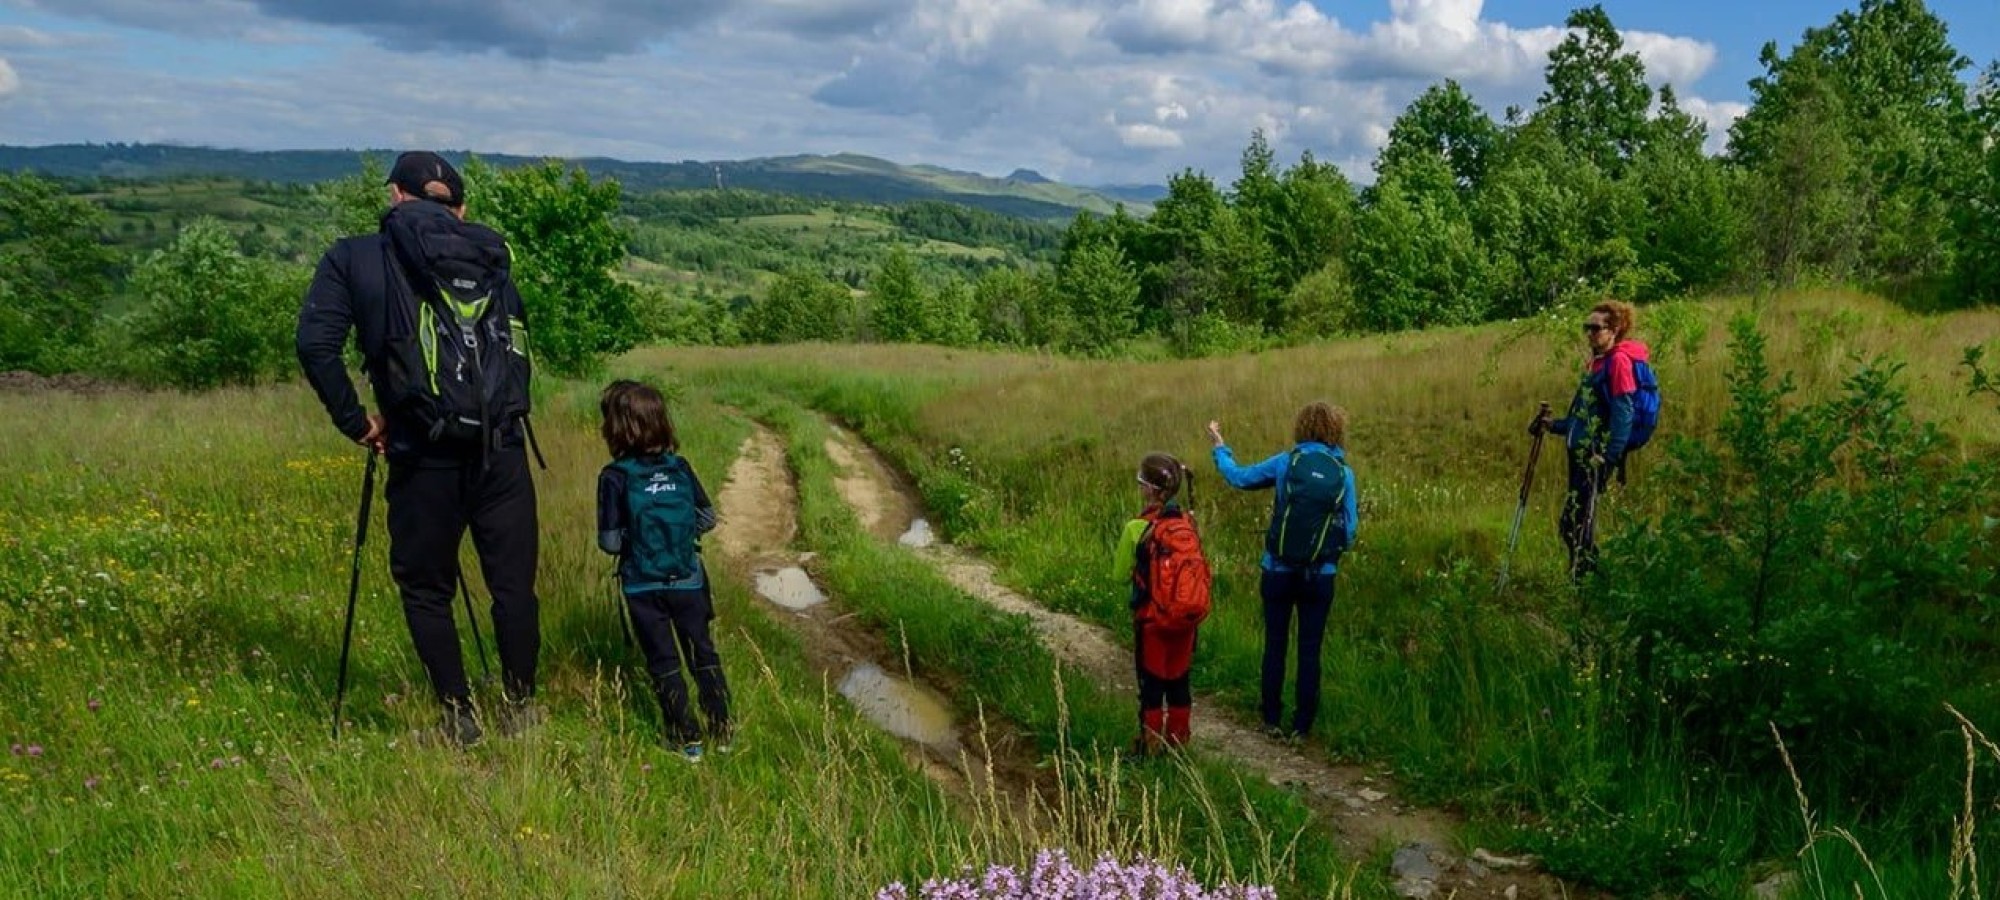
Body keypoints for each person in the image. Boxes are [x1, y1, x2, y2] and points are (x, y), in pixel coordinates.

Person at [297, 151, 540, 747]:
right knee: (511, 586)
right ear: (459, 206)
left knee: (427, 588)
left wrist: (358, 423)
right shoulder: (489, 255)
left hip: (420, 450)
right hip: (500, 446)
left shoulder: (353, 257)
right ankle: (521, 708)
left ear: (396, 197)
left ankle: (459, 718)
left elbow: (315, 345)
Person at [596, 380, 732, 762]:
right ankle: (722, 731)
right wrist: (677, 535)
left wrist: (638, 540)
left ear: (618, 427)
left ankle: (686, 740)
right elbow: (707, 518)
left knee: (664, 662)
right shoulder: (680, 467)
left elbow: (608, 542)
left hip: (642, 586)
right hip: (689, 579)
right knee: (702, 652)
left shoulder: (614, 477)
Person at [1208, 403, 1357, 741]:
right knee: (1310, 649)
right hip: (1320, 575)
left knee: (1275, 645)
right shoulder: (1344, 474)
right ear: (1336, 431)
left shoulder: (1285, 463)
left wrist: (1220, 448)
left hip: (1276, 569)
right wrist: (1326, 551)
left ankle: (1271, 719)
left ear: (1301, 429)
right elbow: (1349, 531)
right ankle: (1302, 727)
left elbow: (1239, 477)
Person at [1530, 300, 1652, 580]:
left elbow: (1623, 412)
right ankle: (1583, 578)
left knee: (1576, 524)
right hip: (1580, 453)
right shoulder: (1596, 364)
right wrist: (1554, 425)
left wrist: (1608, 458)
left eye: (1595, 328)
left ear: (1615, 330)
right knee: (1574, 524)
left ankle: (1587, 583)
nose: (1589, 334)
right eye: (1587, 328)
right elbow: (1583, 418)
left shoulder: (1618, 362)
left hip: (1594, 457)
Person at [1112, 453, 1204, 756]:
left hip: (1151, 621)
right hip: (1185, 620)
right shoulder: (1187, 523)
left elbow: (1117, 576)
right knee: (1179, 684)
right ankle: (1178, 746)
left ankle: (1149, 749)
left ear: (1150, 489)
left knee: (1151, 688)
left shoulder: (1136, 528)